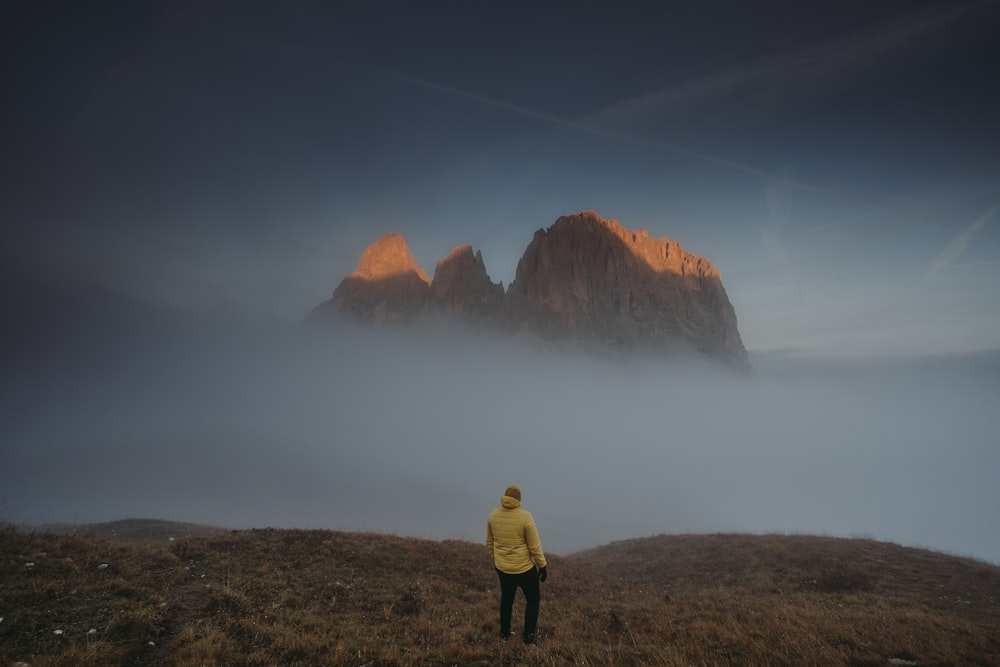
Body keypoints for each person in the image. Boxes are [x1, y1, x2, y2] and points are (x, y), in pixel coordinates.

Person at [486, 484, 548, 646]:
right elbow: (534, 546)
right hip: (525, 570)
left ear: (505, 498)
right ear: (518, 500)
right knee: (533, 600)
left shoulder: (493, 515)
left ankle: (504, 636)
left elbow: (489, 542)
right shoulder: (525, 516)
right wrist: (542, 565)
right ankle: (528, 639)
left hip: (504, 570)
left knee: (506, 600)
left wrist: (497, 560)